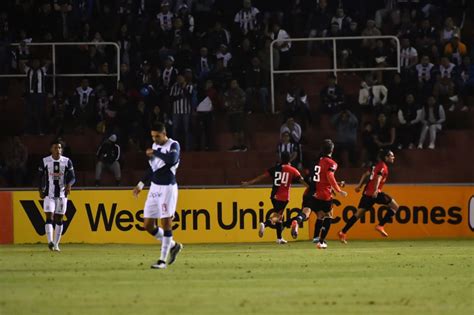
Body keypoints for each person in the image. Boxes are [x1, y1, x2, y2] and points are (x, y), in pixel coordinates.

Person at [133, 123, 183, 269]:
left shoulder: (174, 144)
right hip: (154, 187)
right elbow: (153, 169)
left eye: (157, 136)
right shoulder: (155, 147)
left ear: (164, 133)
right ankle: (173, 245)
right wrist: (141, 184)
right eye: (153, 136)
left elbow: (172, 160)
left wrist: (155, 153)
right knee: (148, 225)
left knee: (166, 222)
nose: (155, 139)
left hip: (168, 188)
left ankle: (162, 261)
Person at [288, 139, 347, 249]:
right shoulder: (332, 163)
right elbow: (329, 176)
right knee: (329, 216)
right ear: (332, 150)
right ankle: (321, 241)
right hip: (324, 194)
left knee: (308, 213)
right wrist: (338, 190)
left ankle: (297, 221)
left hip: (311, 193)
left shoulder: (315, 162)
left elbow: (317, 178)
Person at [241, 152, 308, 244]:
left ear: (281, 159)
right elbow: (302, 181)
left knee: (279, 216)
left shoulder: (275, 169)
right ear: (290, 160)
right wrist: (312, 188)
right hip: (283, 197)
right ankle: (265, 224)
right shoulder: (293, 170)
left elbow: (261, 177)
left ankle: (279, 238)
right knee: (278, 216)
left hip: (273, 196)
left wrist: (248, 183)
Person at [338, 149, 399, 243]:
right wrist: (375, 190)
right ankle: (381, 225)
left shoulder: (375, 165)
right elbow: (378, 178)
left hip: (367, 193)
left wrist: (359, 186)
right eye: (391, 156)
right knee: (395, 207)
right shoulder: (383, 166)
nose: (393, 157)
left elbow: (365, 174)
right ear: (386, 157)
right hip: (375, 193)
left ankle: (343, 232)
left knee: (358, 214)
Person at [38, 140, 76, 251]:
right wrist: (40, 189)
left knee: (59, 219)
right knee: (49, 217)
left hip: (62, 195)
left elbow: (73, 177)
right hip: (49, 195)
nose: (57, 150)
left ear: (62, 150)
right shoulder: (45, 161)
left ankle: (56, 244)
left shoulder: (67, 161)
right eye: (55, 148)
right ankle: (50, 242)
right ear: (51, 149)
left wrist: (69, 184)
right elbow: (39, 177)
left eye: (59, 148)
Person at [224, 79, 247, 152]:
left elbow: (243, 101)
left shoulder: (240, 91)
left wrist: (234, 105)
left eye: (234, 83)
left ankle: (242, 146)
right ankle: (236, 146)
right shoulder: (228, 92)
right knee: (234, 130)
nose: (233, 84)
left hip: (238, 113)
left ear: (237, 84)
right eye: (232, 83)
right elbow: (225, 101)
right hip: (231, 113)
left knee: (239, 130)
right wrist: (228, 105)